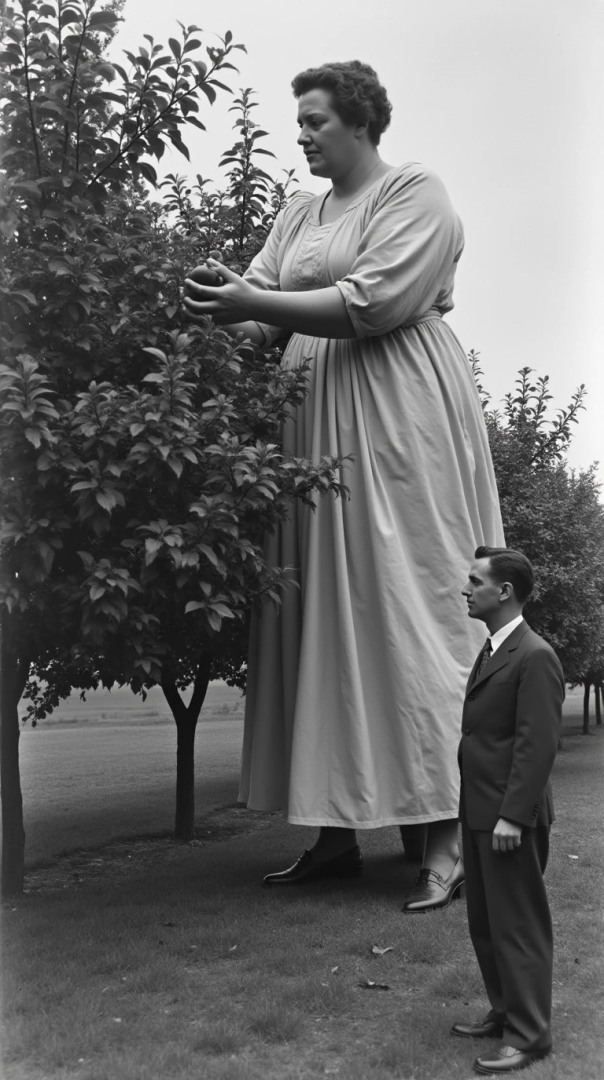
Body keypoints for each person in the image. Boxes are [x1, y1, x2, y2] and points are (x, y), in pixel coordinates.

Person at [183, 61, 504, 909]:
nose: (301, 136)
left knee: (411, 603)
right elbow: (258, 308)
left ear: (360, 123)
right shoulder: (298, 212)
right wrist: (219, 306)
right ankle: (333, 835)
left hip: (399, 412)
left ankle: (444, 835)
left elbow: (375, 302)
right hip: (312, 426)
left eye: (315, 121)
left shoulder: (416, 193)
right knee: (322, 610)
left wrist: (261, 300)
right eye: (298, 123)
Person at [452, 547, 564, 1075]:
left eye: (475, 581)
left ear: (505, 592)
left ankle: (530, 1035)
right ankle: (505, 1011)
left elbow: (537, 744)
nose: (465, 589)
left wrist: (514, 816)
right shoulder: (494, 648)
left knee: (517, 926)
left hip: (507, 818)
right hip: (479, 810)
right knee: (487, 924)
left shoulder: (534, 654)